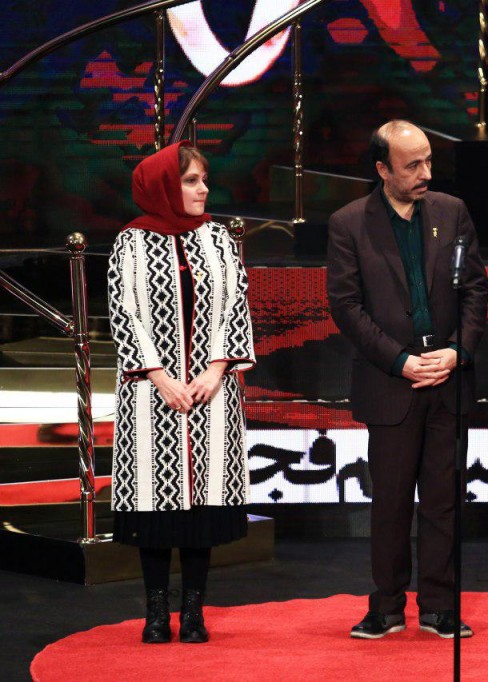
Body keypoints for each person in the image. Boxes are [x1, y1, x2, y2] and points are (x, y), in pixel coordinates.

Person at [327, 120, 488, 639]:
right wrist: (399, 360)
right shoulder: (349, 223)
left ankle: (440, 606)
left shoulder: (451, 212)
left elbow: (475, 290)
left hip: (448, 380)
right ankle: (388, 606)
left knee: (444, 501)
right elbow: (346, 307)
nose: (425, 173)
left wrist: (458, 351)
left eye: (428, 161)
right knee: (391, 502)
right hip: (390, 382)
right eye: (412, 165)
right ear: (383, 169)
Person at [107, 141, 256, 644]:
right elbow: (125, 312)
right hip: (151, 396)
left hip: (211, 395)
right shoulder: (131, 242)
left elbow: (236, 305)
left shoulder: (219, 238)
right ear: (165, 186)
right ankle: (156, 613)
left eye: (204, 180)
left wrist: (215, 370)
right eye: (191, 180)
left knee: (201, 515)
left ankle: (193, 612)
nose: (203, 189)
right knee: (155, 509)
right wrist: (159, 376)